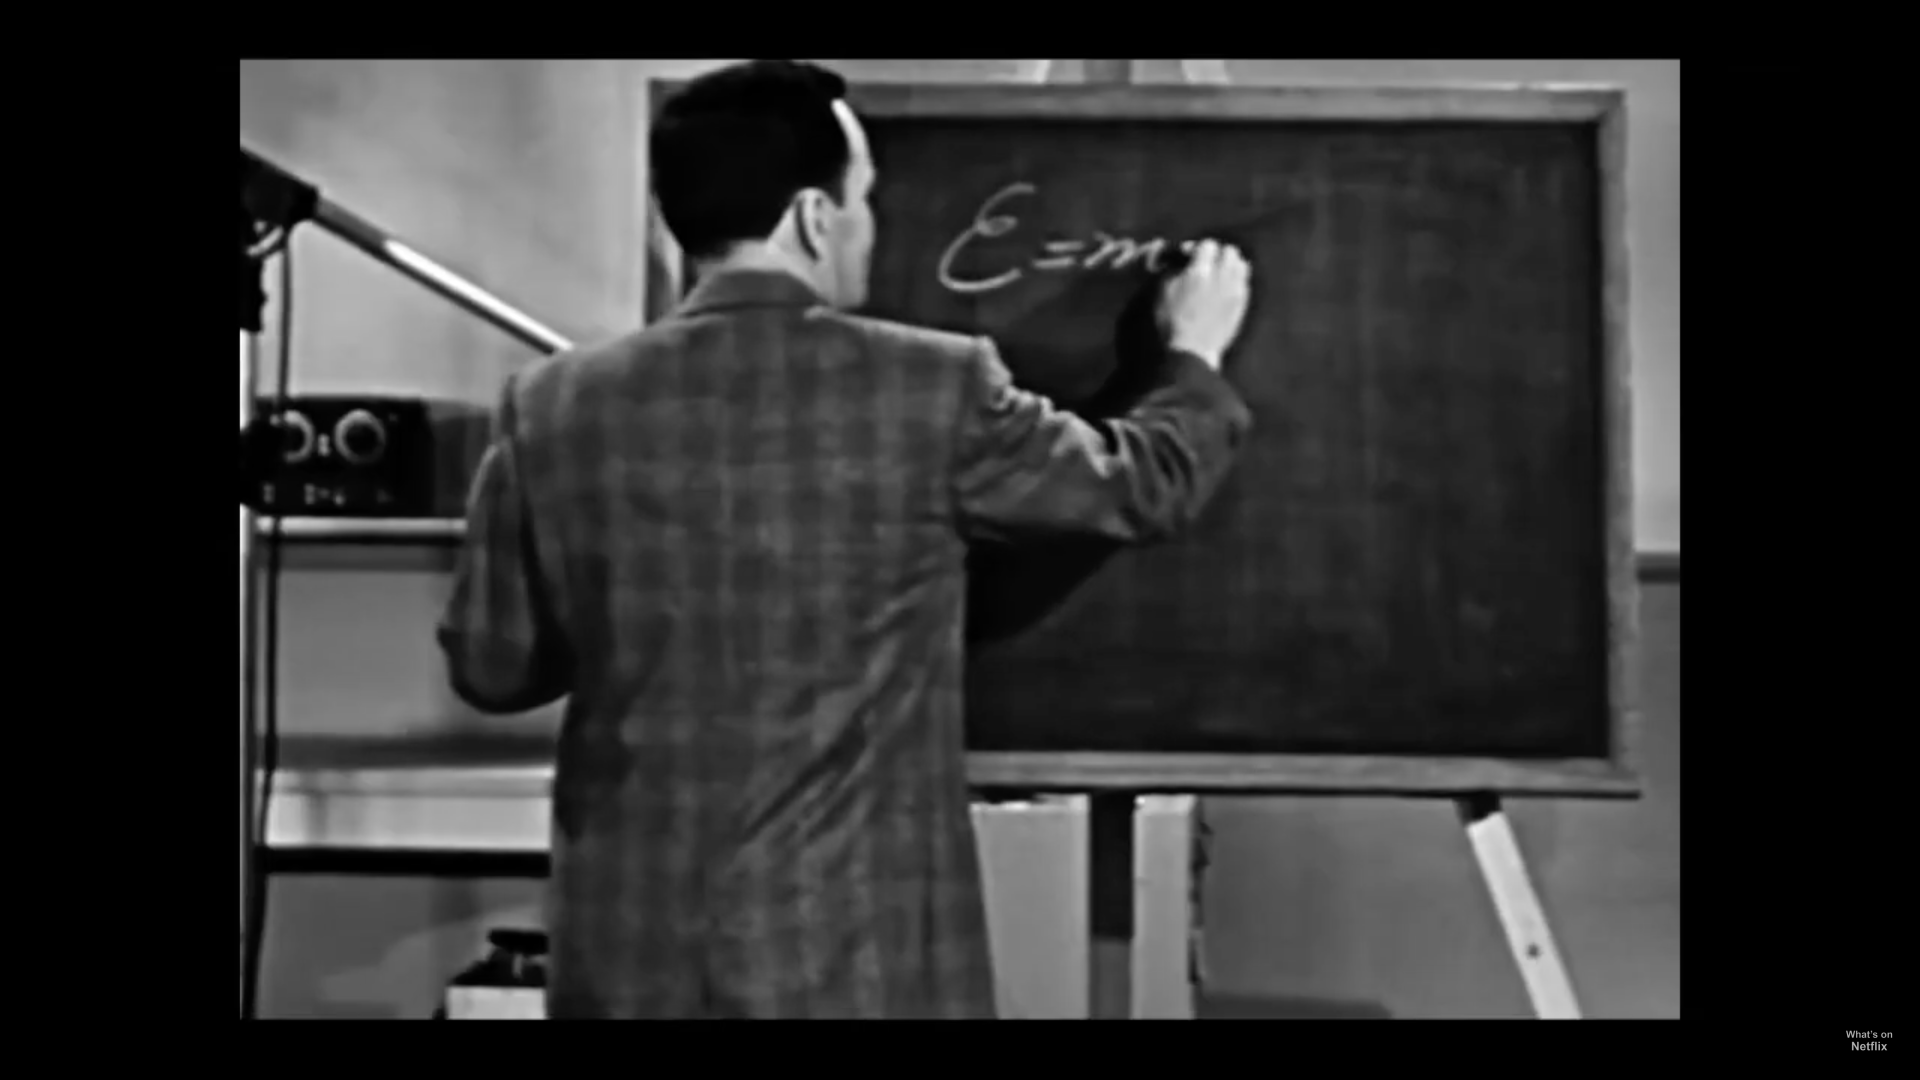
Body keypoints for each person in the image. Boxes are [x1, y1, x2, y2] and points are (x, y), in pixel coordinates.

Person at [436, 59, 1255, 1019]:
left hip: (629, 954)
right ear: (813, 219)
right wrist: (1192, 354)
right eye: (862, 198)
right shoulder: (930, 387)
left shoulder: (551, 404)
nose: (870, 224)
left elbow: (494, 667)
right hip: (850, 959)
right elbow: (1140, 484)